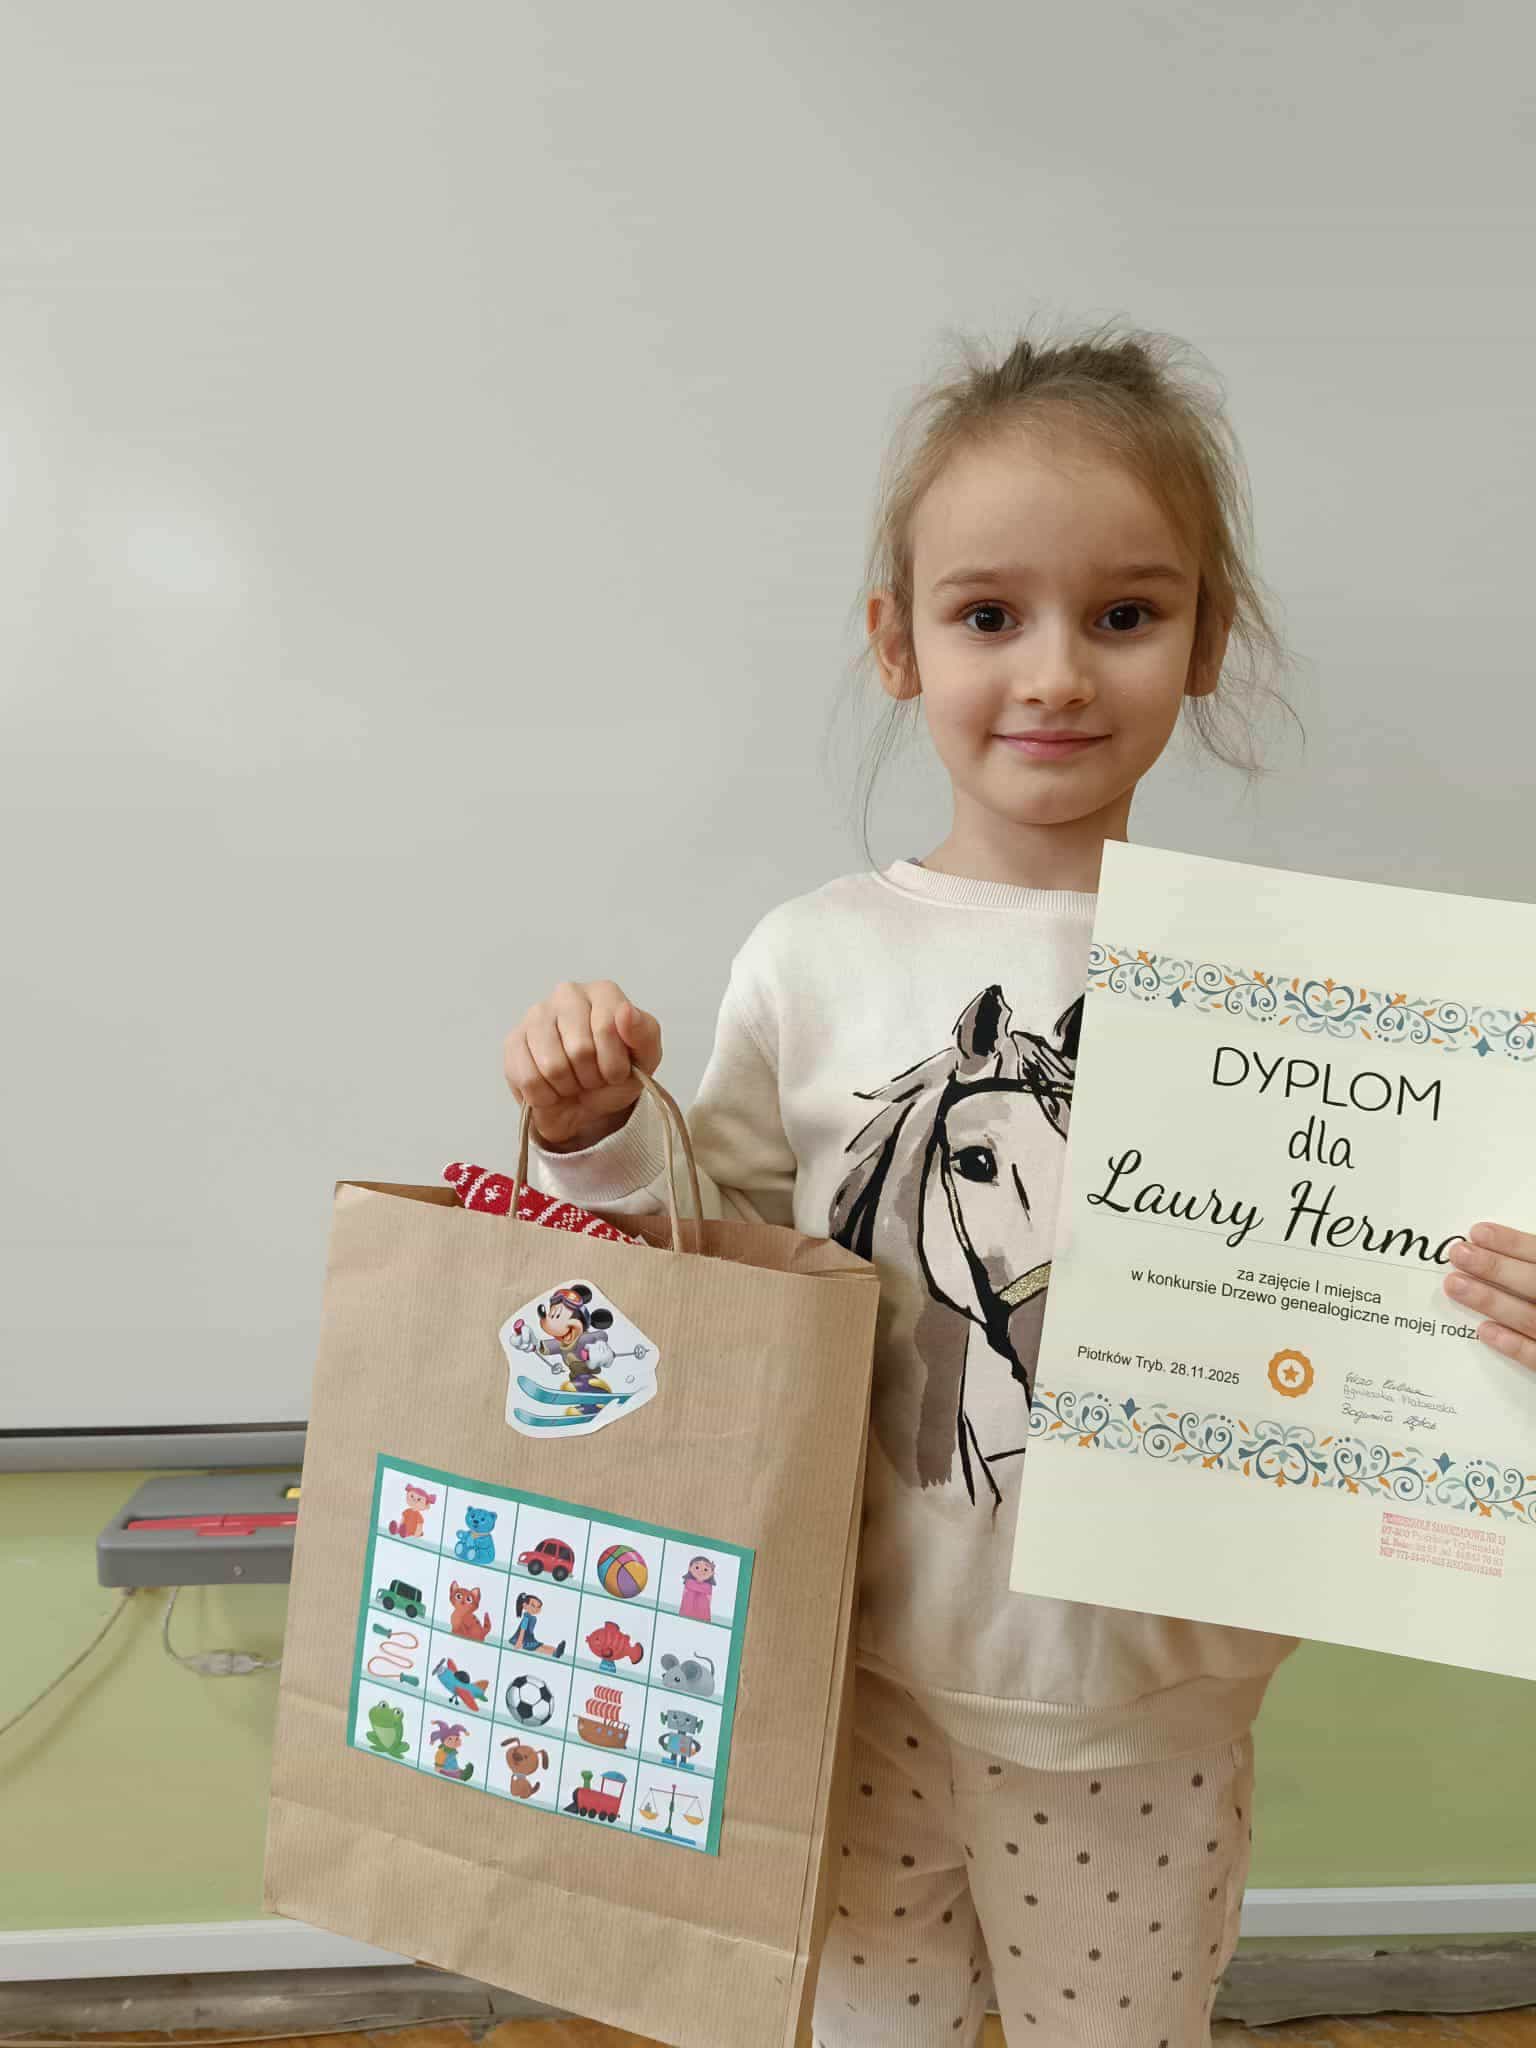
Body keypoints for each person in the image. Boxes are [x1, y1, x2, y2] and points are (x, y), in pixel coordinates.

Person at [502, 316, 1536, 2048]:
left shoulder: (1296, 998)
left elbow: (1402, 1309)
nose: (1055, 673)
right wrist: (597, 1125)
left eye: (1124, 615)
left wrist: (1498, 1314)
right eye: (991, 615)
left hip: (1142, 1709)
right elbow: (704, 1270)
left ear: (1206, 642)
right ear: (896, 643)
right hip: (848, 1676)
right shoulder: (813, 957)